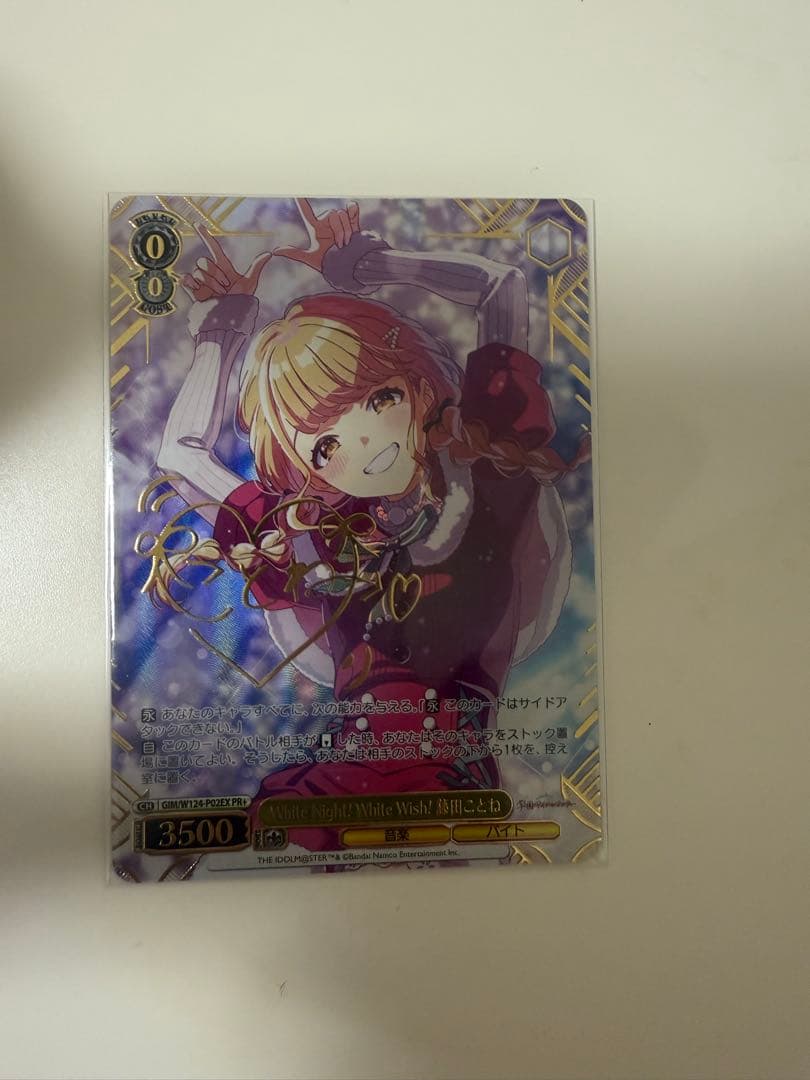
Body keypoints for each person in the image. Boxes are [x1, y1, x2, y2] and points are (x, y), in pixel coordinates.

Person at [154, 199, 586, 849]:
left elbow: (501, 286)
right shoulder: (314, 536)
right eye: (325, 447)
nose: (364, 444)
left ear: (415, 386)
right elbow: (180, 454)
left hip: (450, 782)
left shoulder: (488, 477)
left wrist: (365, 266)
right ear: (308, 470)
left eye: (379, 400)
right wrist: (226, 323)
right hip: (334, 784)